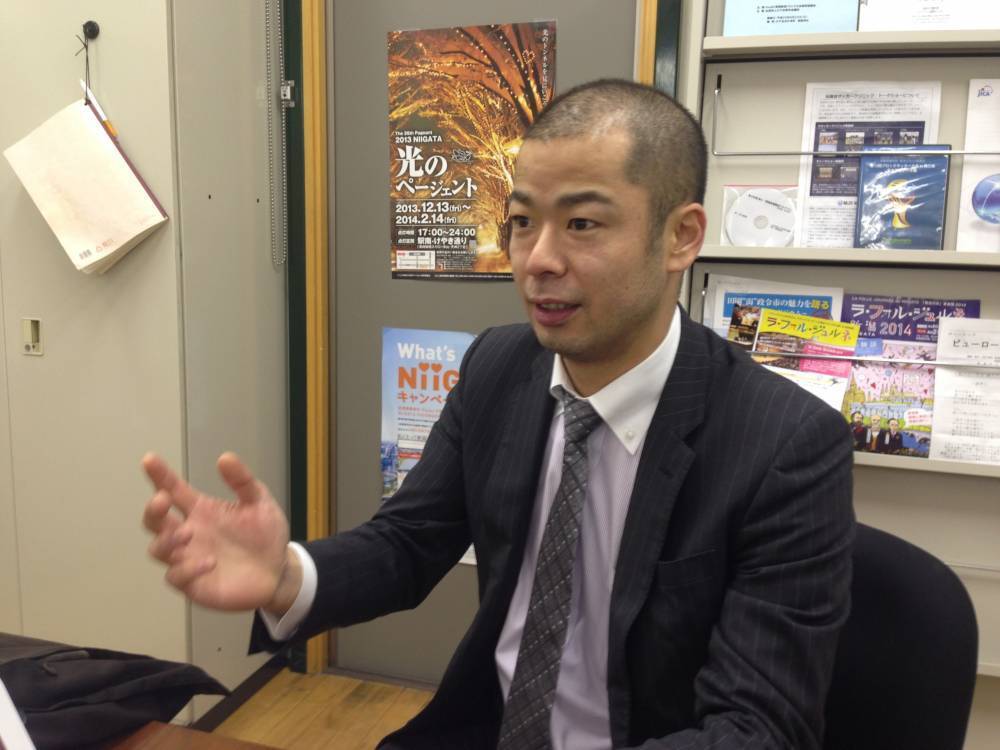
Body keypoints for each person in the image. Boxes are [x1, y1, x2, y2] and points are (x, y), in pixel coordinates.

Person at [142, 79, 854, 750]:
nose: (537, 260)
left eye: (581, 223)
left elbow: (757, 730)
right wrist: (286, 577)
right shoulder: (498, 367)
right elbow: (408, 543)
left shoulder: (784, 444)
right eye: (520, 222)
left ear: (681, 237)